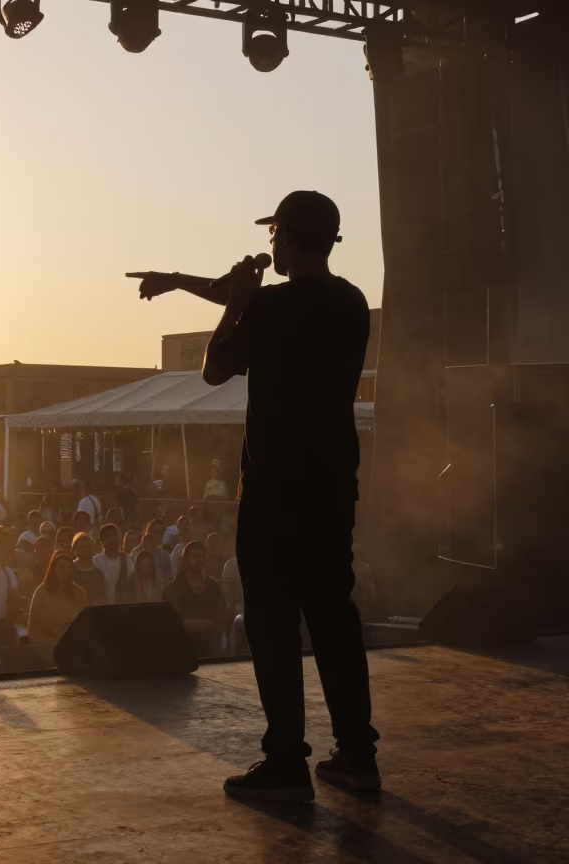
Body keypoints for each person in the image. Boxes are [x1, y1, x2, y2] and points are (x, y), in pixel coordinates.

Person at [187, 192, 379, 799]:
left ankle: (286, 763)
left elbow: (214, 368)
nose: (269, 242)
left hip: (274, 489)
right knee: (334, 619)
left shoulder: (271, 307)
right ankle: (357, 755)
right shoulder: (352, 302)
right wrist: (213, 289)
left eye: (273, 233)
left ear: (289, 240)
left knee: (272, 624)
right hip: (331, 485)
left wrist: (237, 303)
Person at [163, 541, 227, 656]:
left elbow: (222, 616)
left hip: (212, 648)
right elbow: (174, 621)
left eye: (202, 556)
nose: (199, 560)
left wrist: (208, 624)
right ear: (186, 559)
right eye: (195, 556)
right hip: (184, 649)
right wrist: (208, 624)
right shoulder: (175, 588)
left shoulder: (213, 586)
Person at [27, 552, 87, 647]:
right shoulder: (41, 592)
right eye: (61, 567)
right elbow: (35, 622)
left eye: (68, 568)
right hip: (46, 642)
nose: (65, 570)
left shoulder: (79, 592)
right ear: (53, 569)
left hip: (73, 641)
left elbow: (85, 618)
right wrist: (53, 631)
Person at [91, 523, 131, 605]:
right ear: (101, 540)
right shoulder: (95, 561)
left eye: (114, 535)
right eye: (107, 536)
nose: (111, 539)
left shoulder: (127, 558)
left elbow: (133, 582)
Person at [71, 532, 106, 604]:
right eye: (82, 547)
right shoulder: (71, 568)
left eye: (88, 546)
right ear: (75, 549)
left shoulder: (98, 565)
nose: (86, 549)